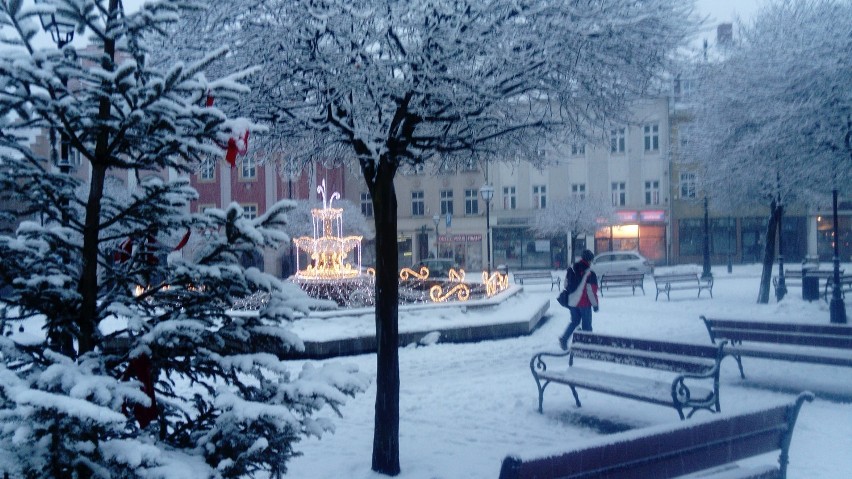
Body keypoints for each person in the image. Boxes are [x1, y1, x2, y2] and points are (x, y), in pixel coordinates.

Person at [558, 249, 599, 350]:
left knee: (574, 322)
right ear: (589, 260)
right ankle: (588, 346)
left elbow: (566, 285)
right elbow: (591, 291)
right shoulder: (590, 273)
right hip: (584, 303)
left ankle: (564, 338)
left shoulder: (572, 269)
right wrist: (595, 305)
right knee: (587, 326)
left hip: (572, 302)